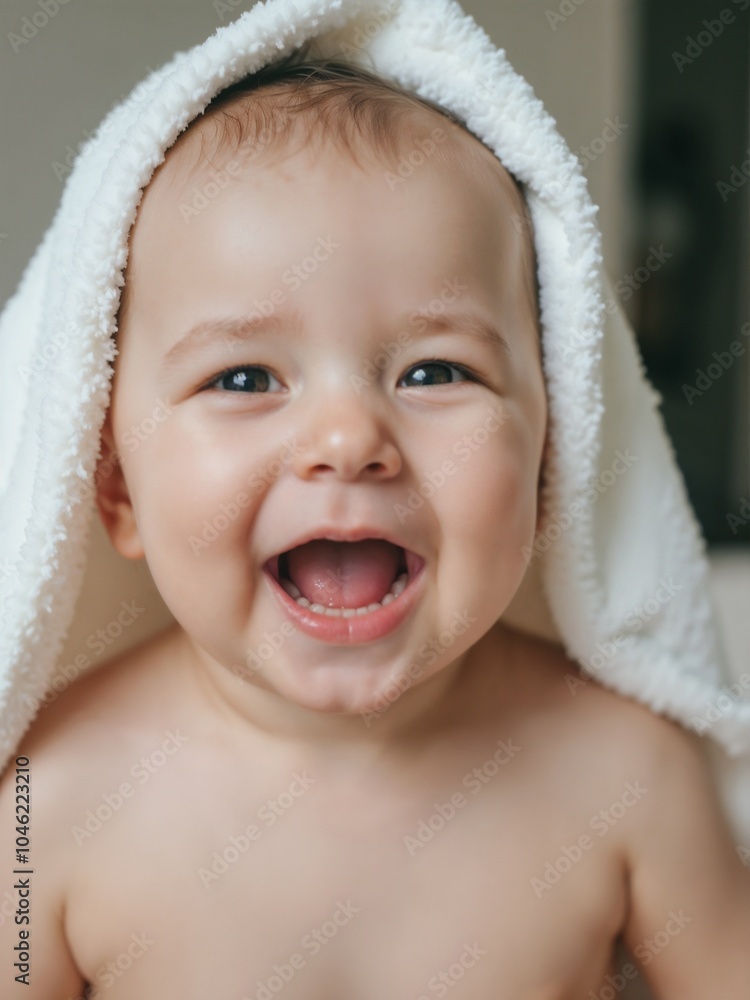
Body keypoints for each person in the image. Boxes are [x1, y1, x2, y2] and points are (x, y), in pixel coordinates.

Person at [1, 45, 748, 1000]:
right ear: (116, 493)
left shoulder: (626, 776)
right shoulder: (43, 806)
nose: (349, 437)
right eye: (244, 378)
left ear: (556, 451)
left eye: (435, 371)